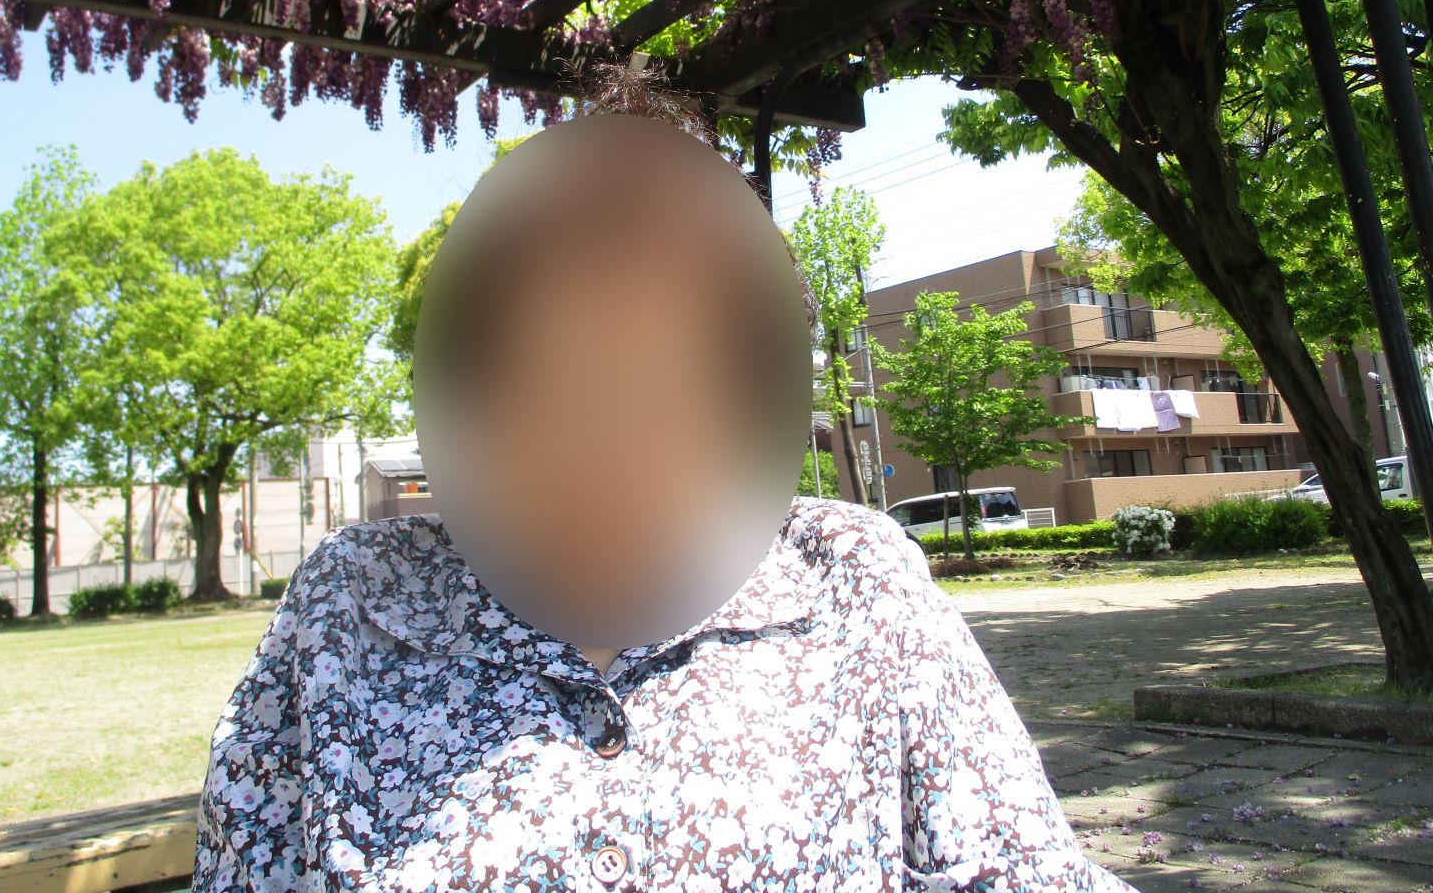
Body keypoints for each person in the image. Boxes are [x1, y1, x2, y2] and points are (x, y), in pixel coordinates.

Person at [190, 68, 1136, 893]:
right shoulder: (354, 605)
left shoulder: (857, 583)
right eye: (554, 383)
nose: (607, 444)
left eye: (665, 387)